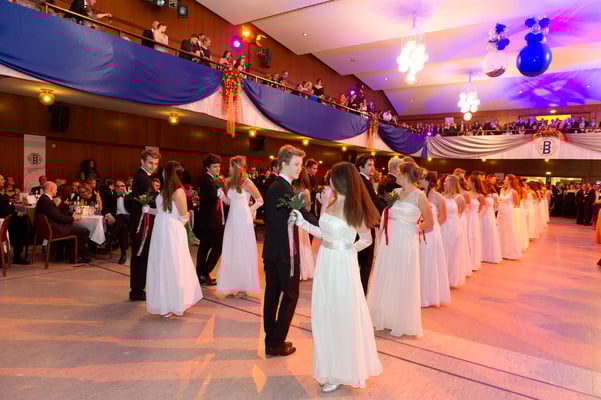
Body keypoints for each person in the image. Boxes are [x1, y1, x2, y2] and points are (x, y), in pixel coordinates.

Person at [292, 162, 382, 393]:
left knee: (341, 315)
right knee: (324, 313)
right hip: (325, 261)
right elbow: (325, 234)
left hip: (342, 265)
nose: (328, 178)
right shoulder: (331, 202)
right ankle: (328, 367)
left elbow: (366, 240)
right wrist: (302, 223)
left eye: (332, 176)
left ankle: (341, 371)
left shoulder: (355, 207)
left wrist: (348, 250)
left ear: (340, 180)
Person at [367, 161, 433, 337]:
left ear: (405, 176)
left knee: (402, 275)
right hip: (390, 239)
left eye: (398, 173)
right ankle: (385, 316)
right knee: (388, 274)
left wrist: (413, 229)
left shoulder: (419, 196)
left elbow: (429, 222)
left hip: (406, 239)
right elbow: (387, 213)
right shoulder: (395, 193)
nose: (396, 175)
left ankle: (400, 319)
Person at [262, 145, 316, 357]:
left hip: (273, 250)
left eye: (300, 164)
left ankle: (271, 340)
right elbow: (301, 216)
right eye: (296, 164)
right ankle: (276, 341)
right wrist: (327, 227)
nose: (299, 168)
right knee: (291, 295)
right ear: (283, 164)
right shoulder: (284, 189)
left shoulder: (276, 186)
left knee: (273, 294)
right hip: (285, 252)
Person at [146, 161, 202, 318]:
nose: (162, 174)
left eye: (164, 172)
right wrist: (149, 210)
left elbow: (184, 216)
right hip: (160, 229)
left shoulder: (179, 192)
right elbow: (162, 211)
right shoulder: (164, 191)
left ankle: (174, 302)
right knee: (160, 263)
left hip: (172, 230)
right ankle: (164, 302)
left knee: (173, 264)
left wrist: (175, 230)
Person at [216, 156, 263, 298]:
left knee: (242, 250)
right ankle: (232, 284)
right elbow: (231, 202)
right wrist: (222, 197)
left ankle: (243, 286)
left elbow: (260, 200)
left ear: (236, 167)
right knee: (232, 249)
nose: (228, 168)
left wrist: (249, 210)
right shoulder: (230, 182)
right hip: (232, 218)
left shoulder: (247, 182)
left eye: (230, 166)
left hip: (243, 219)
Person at [127, 150, 160, 301]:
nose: (153, 166)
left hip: (141, 221)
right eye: (150, 163)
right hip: (142, 223)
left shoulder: (144, 176)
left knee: (140, 256)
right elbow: (152, 200)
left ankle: (137, 289)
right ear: (142, 161)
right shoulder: (143, 178)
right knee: (141, 255)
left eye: (156, 163)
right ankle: (137, 290)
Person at [34, 181, 91, 264]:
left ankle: (69, 254)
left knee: (75, 228)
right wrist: (72, 219)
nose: (57, 191)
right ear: (51, 189)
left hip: (51, 227)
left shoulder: (44, 199)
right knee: (85, 231)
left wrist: (70, 214)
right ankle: (76, 257)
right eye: (56, 189)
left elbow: (56, 212)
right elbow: (57, 216)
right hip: (54, 229)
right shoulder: (46, 200)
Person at [417, 171, 451, 307]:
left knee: (429, 259)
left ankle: (429, 295)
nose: (419, 180)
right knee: (419, 259)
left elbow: (443, 217)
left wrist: (432, 225)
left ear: (429, 181)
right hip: (418, 229)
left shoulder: (438, 197)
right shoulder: (418, 194)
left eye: (422, 178)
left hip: (431, 232)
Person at [354, 154, 384, 294]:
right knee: (365, 262)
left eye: (373, 164)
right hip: (364, 223)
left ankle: (358, 290)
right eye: (369, 165)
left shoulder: (361, 180)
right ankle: (362, 292)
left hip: (359, 223)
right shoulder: (364, 181)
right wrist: (389, 207)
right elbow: (374, 202)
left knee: (359, 260)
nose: (373, 167)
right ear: (361, 166)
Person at [194, 153, 224, 286]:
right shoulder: (207, 180)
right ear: (207, 167)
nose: (218, 169)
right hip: (209, 220)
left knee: (205, 247)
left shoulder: (210, 179)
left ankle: (201, 274)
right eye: (215, 166)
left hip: (208, 219)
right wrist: (220, 189)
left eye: (219, 166)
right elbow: (213, 196)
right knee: (218, 245)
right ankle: (204, 272)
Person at [440, 175, 469, 287]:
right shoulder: (441, 196)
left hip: (454, 227)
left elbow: (460, 213)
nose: (444, 183)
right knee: (443, 251)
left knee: (453, 252)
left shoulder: (459, 198)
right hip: (442, 227)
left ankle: (452, 278)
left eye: (446, 181)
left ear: (452, 183)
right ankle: (442, 278)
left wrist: (454, 224)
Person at [0, 173, 31, 265]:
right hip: (2, 220)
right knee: (21, 225)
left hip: (7, 218)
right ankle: (17, 255)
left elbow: (8, 205)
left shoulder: (2, 192)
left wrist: (11, 205)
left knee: (23, 220)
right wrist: (12, 206)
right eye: (1, 179)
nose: (4, 181)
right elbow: (5, 209)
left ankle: (18, 254)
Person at [103, 179, 130, 265]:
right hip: (118, 222)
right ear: (114, 188)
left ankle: (111, 239)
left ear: (125, 187)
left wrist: (127, 194)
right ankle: (123, 255)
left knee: (121, 216)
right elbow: (104, 208)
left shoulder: (130, 196)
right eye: (118, 186)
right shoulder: (111, 197)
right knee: (122, 227)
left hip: (130, 219)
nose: (120, 188)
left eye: (122, 186)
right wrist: (108, 214)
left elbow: (135, 208)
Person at [295, 168, 314, 280]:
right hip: (301, 220)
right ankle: (303, 270)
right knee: (302, 245)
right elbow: (308, 208)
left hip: (296, 219)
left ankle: (298, 271)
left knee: (298, 244)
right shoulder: (305, 192)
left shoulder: (293, 189)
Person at [498, 175, 523, 260]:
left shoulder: (514, 192)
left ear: (510, 181)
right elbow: (500, 200)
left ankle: (509, 252)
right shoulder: (502, 190)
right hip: (501, 212)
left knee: (508, 231)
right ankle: (500, 250)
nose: (504, 180)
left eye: (506, 179)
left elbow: (517, 204)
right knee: (500, 230)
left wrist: (509, 207)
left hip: (508, 212)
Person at [481, 181, 502, 263]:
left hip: (489, 215)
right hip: (485, 215)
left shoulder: (493, 195)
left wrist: (492, 211)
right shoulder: (482, 195)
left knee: (489, 233)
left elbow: (497, 205)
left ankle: (489, 254)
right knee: (483, 233)